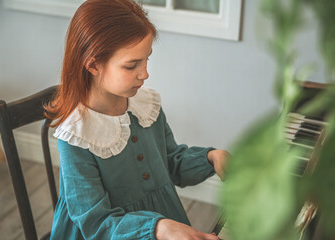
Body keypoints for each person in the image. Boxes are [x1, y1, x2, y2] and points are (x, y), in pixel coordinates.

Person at [45, 0, 230, 239]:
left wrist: (210, 158)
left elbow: (171, 161)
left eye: (146, 60)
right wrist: (158, 228)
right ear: (93, 65)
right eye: (132, 65)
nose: (145, 74)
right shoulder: (77, 136)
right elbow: (97, 223)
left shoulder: (145, 107)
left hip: (162, 226)